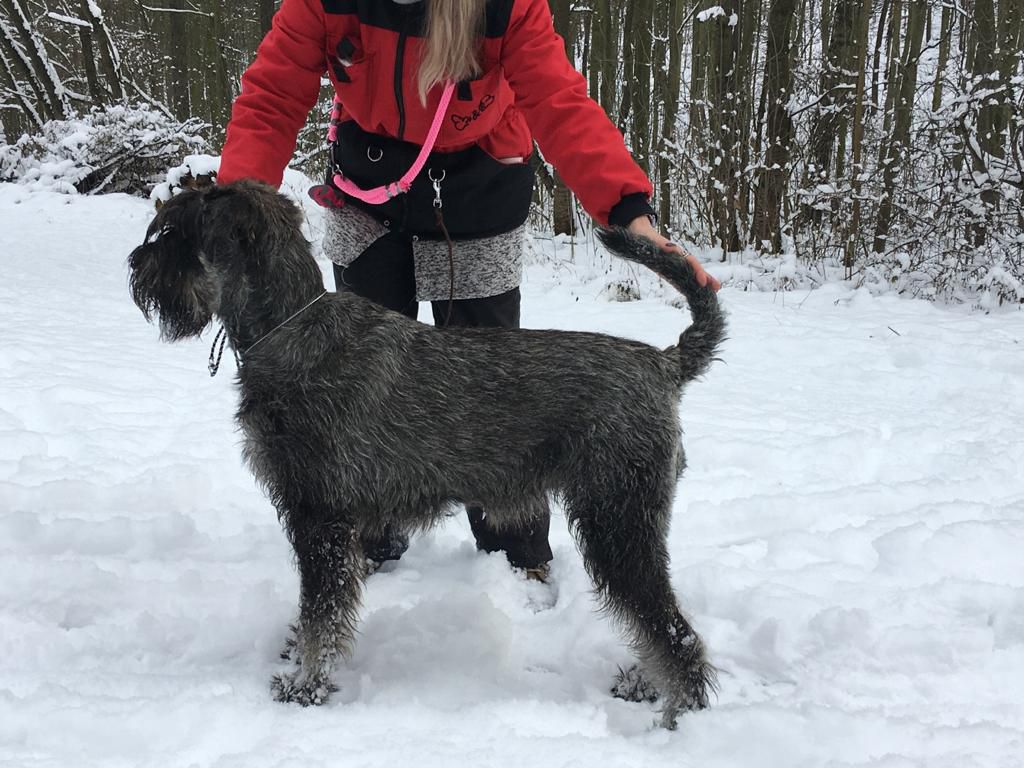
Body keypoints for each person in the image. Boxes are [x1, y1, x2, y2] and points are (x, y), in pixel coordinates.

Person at [216, 0, 721, 581]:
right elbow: (273, 95)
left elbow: (559, 104)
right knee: (353, 387)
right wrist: (238, 207)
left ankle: (515, 557)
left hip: (479, 189)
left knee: (496, 385)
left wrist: (629, 210)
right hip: (368, 188)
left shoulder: (507, 9)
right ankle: (368, 542)